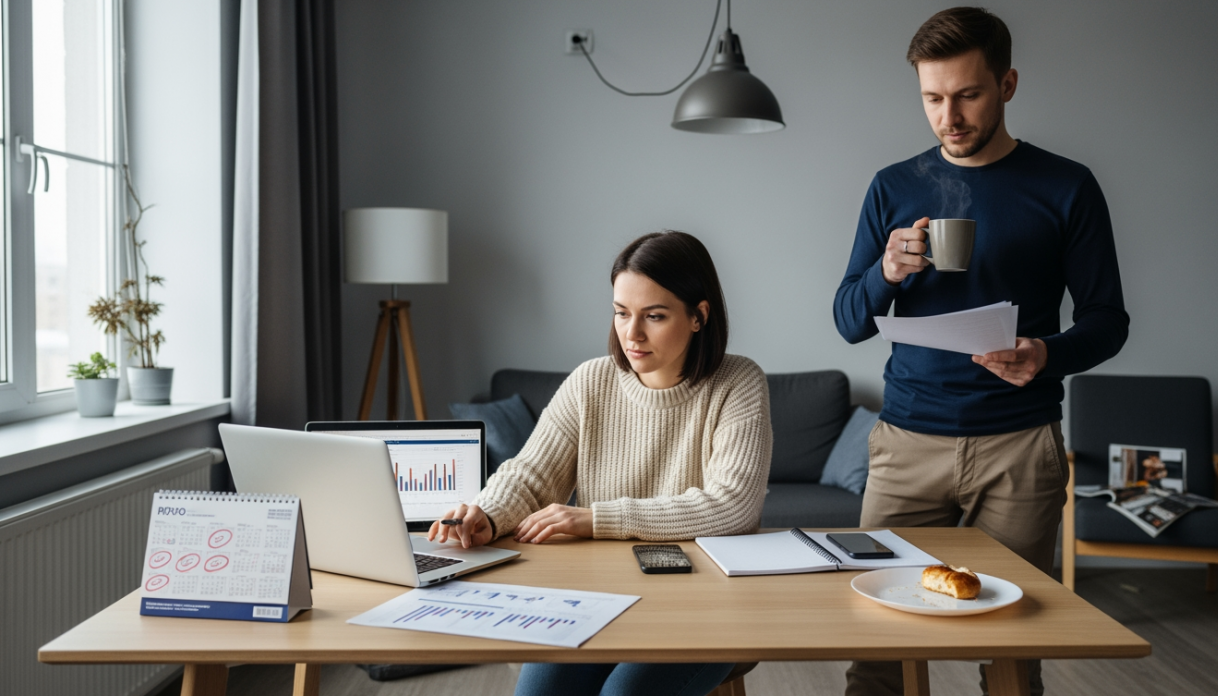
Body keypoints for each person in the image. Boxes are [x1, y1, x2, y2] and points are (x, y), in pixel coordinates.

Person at [832, 7, 1128, 696]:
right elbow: (849, 320)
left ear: (1008, 84)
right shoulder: (892, 187)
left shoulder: (1067, 186)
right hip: (906, 443)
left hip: (1020, 444)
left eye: (967, 94)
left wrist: (1045, 354)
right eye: (933, 98)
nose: (949, 116)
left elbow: (1108, 320)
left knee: (1014, 646)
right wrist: (888, 273)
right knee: (877, 641)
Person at [432, 230, 773, 696]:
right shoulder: (591, 380)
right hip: (603, 597)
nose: (631, 334)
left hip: (707, 605)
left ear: (699, 316)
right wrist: (487, 513)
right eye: (621, 313)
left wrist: (596, 518)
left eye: (654, 316)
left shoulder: (739, 382)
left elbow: (732, 506)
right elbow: (531, 476)